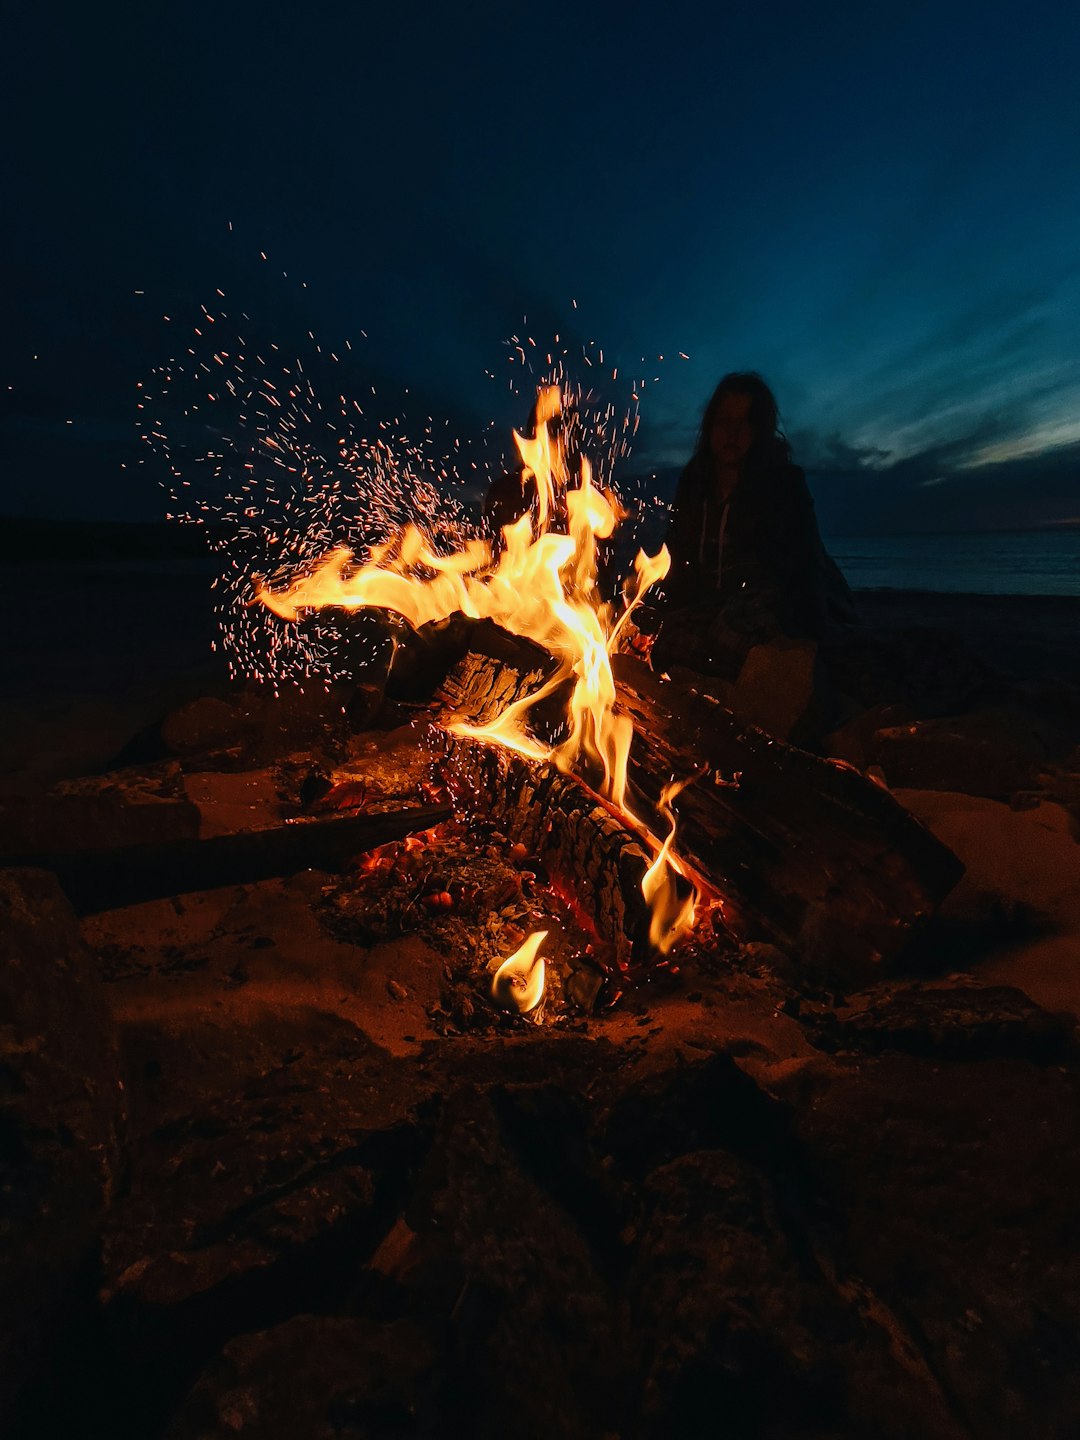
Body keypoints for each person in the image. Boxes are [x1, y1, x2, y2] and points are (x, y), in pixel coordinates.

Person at [653, 372, 857, 678]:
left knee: (730, 637)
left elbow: (805, 563)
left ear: (759, 430)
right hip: (711, 607)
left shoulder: (782, 484)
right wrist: (659, 613)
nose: (732, 433)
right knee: (664, 642)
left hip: (769, 605)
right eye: (724, 421)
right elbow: (676, 555)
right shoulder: (695, 481)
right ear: (710, 426)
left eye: (744, 422)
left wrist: (815, 633)